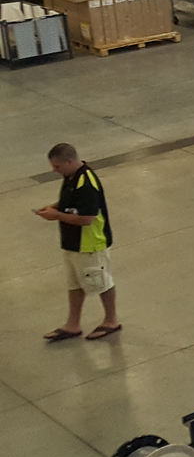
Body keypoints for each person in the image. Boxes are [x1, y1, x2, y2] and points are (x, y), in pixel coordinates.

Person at [37, 143, 119, 342]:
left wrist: (56, 215)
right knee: (74, 284)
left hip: (90, 244)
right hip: (73, 243)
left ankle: (111, 320)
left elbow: (87, 218)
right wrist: (54, 207)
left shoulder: (86, 183)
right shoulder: (70, 176)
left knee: (102, 282)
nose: (54, 170)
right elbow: (70, 202)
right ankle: (72, 324)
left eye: (57, 166)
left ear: (69, 161)